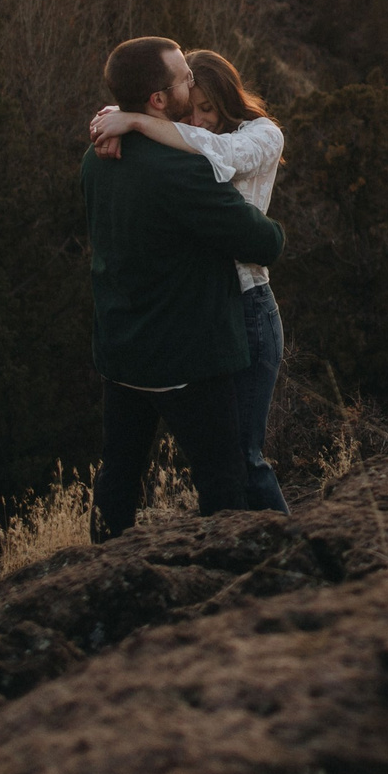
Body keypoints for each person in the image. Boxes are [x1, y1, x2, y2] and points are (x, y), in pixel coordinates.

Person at [79, 36, 285, 538]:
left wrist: (124, 121)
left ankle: (105, 572)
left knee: (119, 473)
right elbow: (264, 241)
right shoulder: (181, 170)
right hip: (186, 354)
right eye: (183, 81)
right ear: (158, 99)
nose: (190, 83)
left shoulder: (99, 156)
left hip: (121, 348)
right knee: (224, 477)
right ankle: (241, 574)